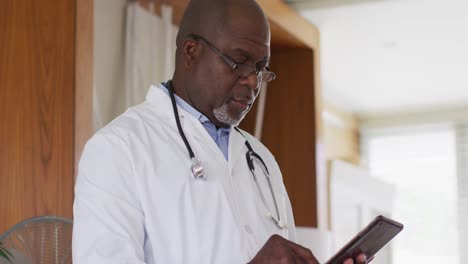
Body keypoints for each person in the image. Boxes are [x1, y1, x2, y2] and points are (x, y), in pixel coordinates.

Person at [72, 0, 369, 263]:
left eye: (260, 67)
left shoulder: (262, 160)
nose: (253, 82)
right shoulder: (118, 149)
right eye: (238, 62)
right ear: (191, 51)